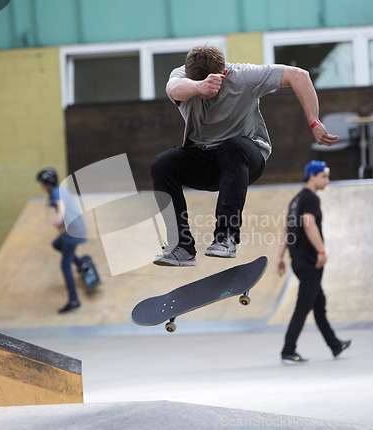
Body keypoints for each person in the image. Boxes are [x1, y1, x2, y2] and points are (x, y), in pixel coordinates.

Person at [150, 45, 339, 267]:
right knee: (162, 164)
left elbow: (299, 76)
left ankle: (226, 237)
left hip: (246, 159)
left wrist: (314, 122)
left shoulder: (245, 76)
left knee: (233, 147)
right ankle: (181, 246)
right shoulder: (182, 76)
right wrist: (199, 86)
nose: (205, 95)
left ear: (225, 73)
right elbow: (174, 88)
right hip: (203, 159)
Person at [277, 161, 351, 364]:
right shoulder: (310, 199)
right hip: (309, 261)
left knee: (319, 303)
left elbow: (287, 229)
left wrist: (280, 256)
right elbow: (309, 224)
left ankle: (335, 344)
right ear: (312, 176)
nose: (327, 180)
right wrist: (321, 250)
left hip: (297, 259)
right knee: (303, 305)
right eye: (324, 176)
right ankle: (288, 351)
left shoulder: (296, 200)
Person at [36, 168, 97, 314]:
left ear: (47, 183)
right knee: (56, 244)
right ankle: (81, 264)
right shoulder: (58, 189)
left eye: (42, 183)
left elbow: (61, 206)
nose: (41, 186)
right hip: (74, 228)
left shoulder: (56, 193)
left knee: (65, 265)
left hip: (74, 232)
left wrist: (59, 218)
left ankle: (73, 301)